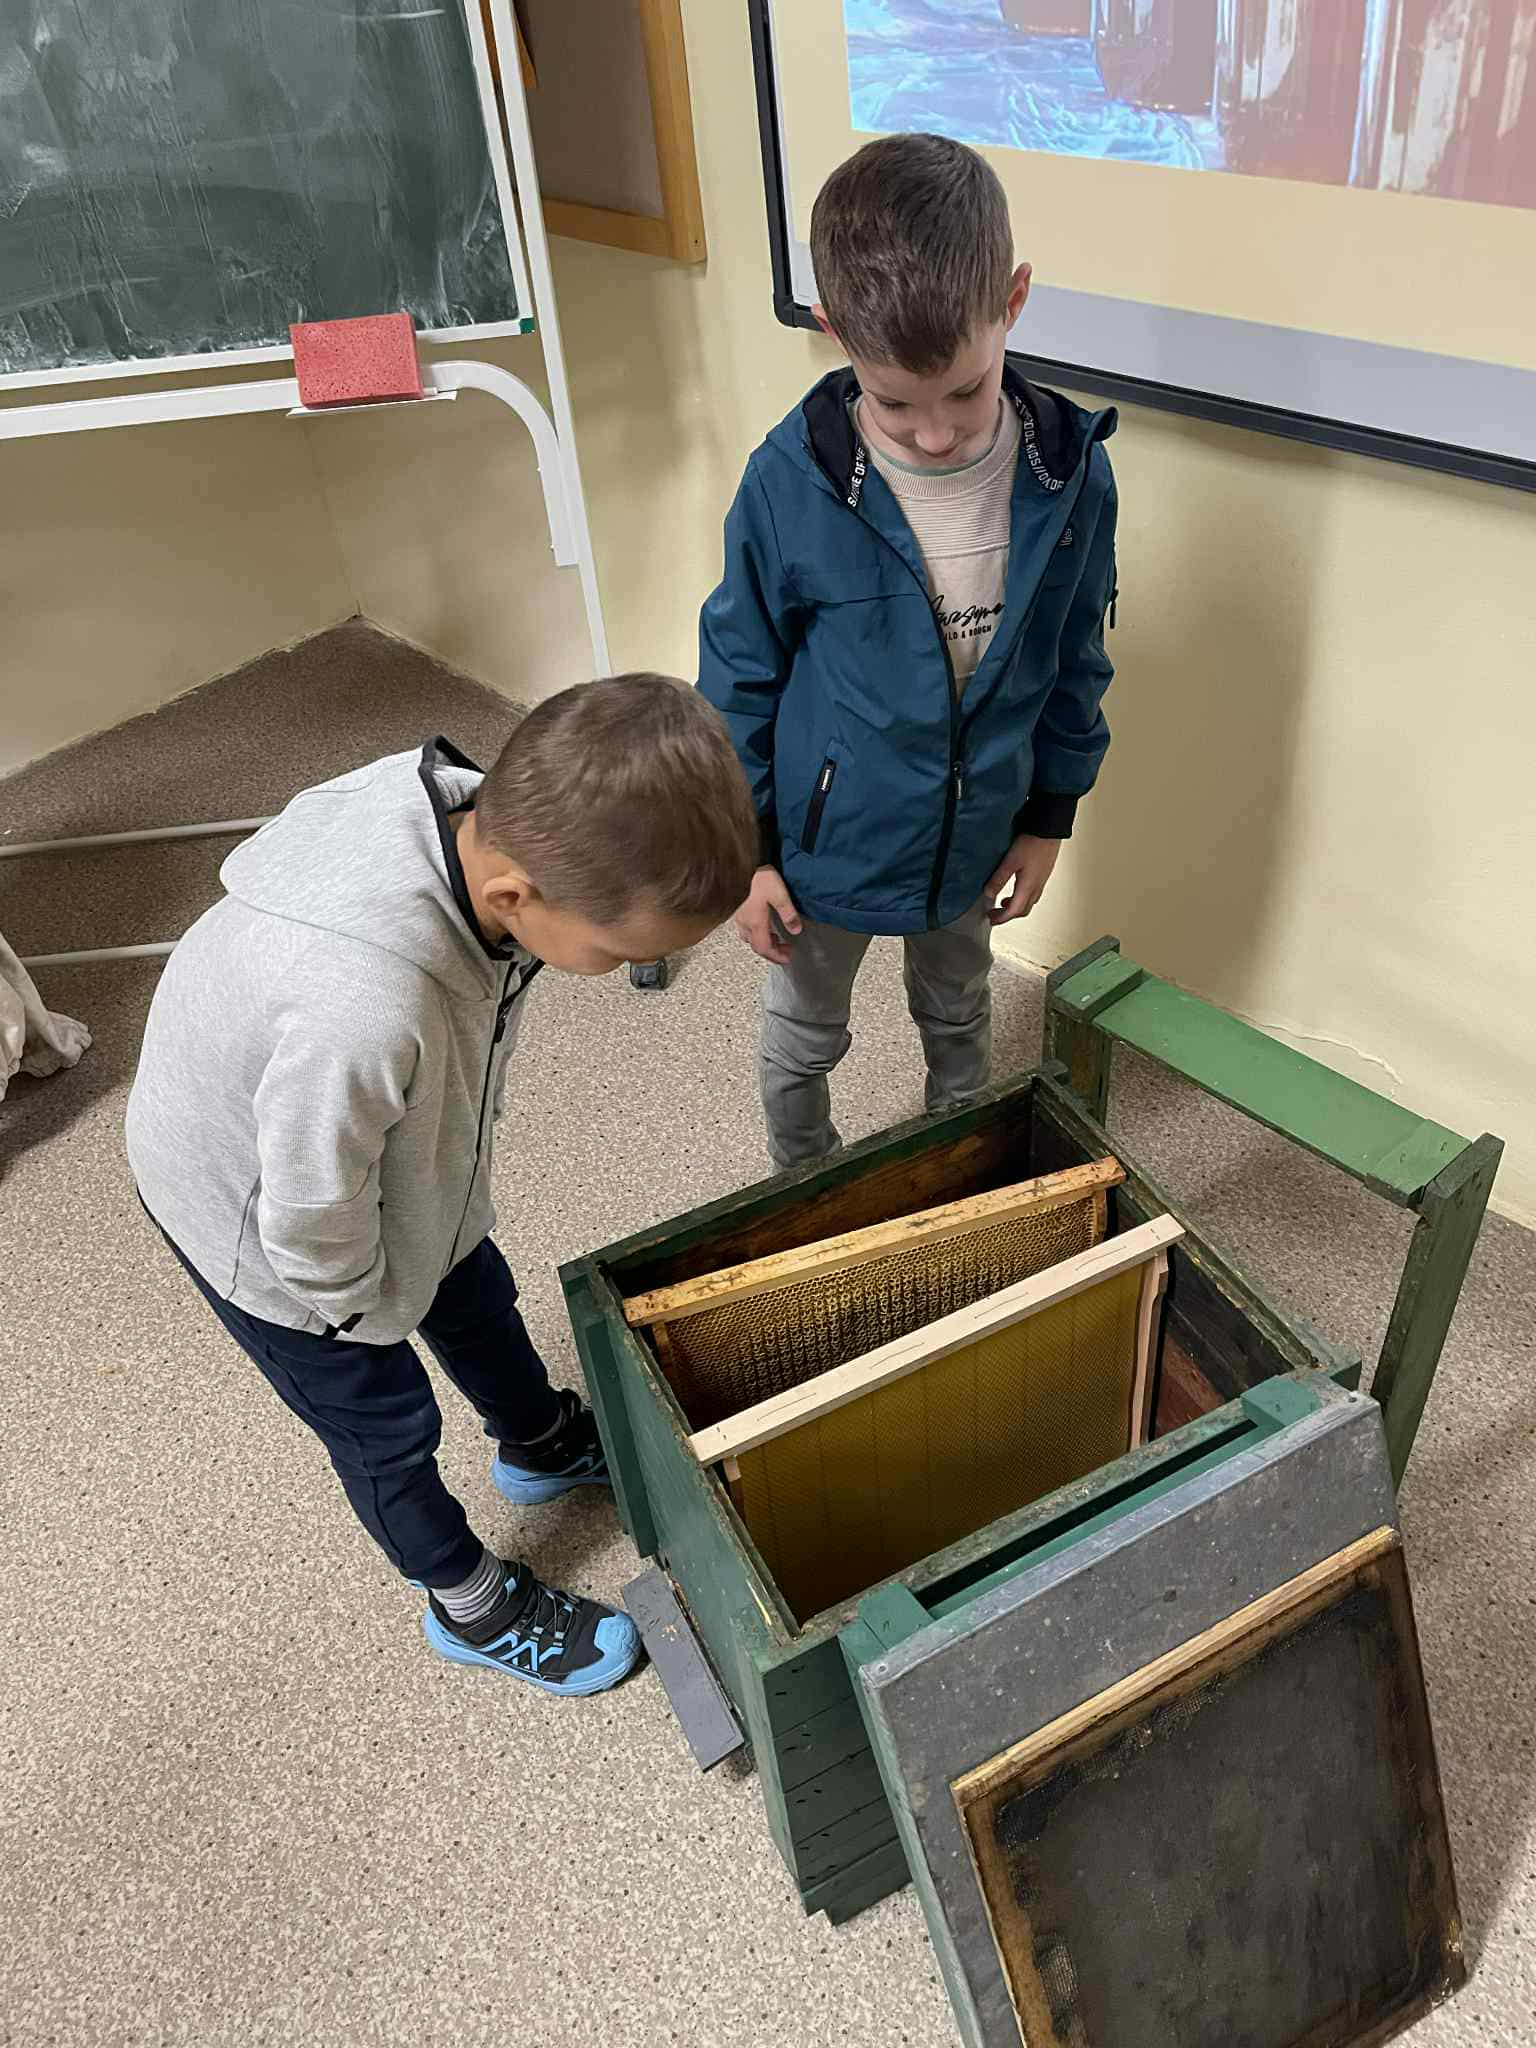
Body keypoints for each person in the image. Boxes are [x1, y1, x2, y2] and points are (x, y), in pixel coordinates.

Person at [125, 676, 757, 1695]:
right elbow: (309, 1218)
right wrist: (362, 1309)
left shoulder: (478, 825)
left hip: (379, 1145)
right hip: (263, 1216)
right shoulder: (362, 1008)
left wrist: (431, 1223)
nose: (623, 971)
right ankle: (466, 1601)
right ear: (514, 899)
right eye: (618, 954)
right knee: (383, 1421)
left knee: (475, 1296)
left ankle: (539, 1441)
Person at [699, 132, 1119, 1167]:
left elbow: (1075, 661)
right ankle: (800, 1184)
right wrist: (745, 853)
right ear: (834, 332)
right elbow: (738, 678)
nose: (935, 434)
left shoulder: (1072, 477)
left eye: (966, 392)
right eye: (893, 402)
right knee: (802, 1039)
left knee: (959, 1015)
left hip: (976, 833)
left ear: (1013, 302)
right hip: (825, 845)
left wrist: (1049, 816)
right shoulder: (787, 482)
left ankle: (953, 1166)